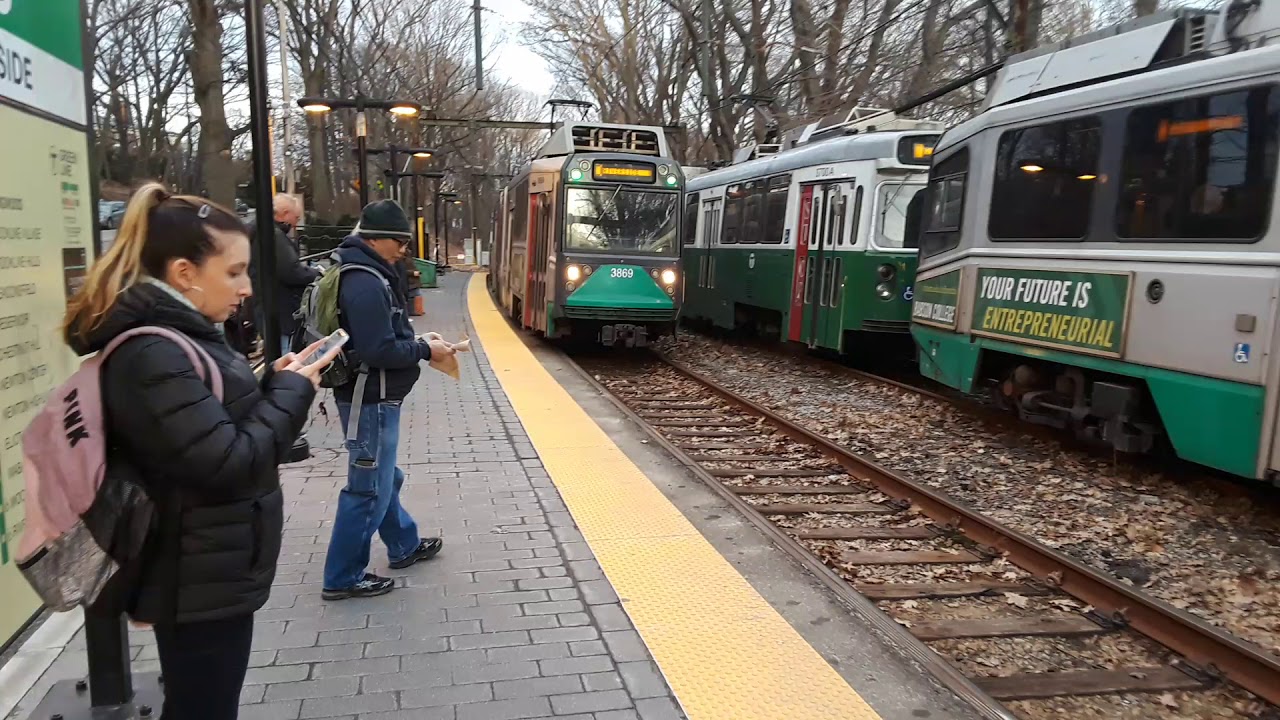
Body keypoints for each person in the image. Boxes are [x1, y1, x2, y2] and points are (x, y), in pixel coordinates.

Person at [63, 183, 341, 720]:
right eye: (233, 272)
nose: (245, 288)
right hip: (195, 572)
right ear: (184, 273)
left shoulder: (182, 335)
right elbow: (228, 462)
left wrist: (270, 381)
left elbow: (205, 425)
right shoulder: (154, 351)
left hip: (206, 565)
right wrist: (293, 392)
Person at [322, 200, 453, 600]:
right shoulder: (363, 282)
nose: (403, 250)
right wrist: (424, 351)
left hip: (373, 397)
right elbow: (378, 350)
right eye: (398, 241)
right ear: (375, 238)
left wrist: (417, 344)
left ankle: (404, 544)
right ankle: (342, 577)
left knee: (384, 477)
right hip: (370, 398)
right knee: (367, 488)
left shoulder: (365, 271)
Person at [253, 194, 319, 352]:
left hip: (268, 307)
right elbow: (291, 271)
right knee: (285, 355)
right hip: (280, 312)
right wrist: (316, 274)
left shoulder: (262, 231)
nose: (296, 223)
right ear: (283, 213)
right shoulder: (274, 236)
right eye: (296, 217)